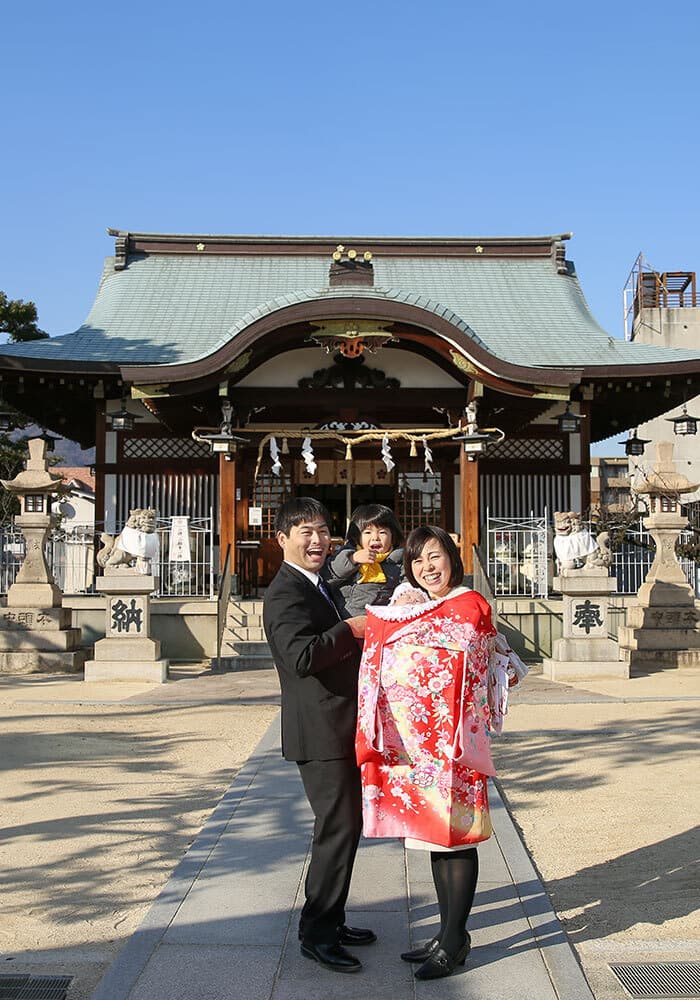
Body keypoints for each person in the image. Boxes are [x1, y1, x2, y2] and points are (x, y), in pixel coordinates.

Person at [355, 525, 496, 981]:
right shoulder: (420, 604)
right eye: (417, 561)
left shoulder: (468, 604)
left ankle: (455, 940)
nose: (427, 568)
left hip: (454, 746)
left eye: (435, 556)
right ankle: (446, 932)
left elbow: (454, 656)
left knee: (457, 839)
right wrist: (400, 612)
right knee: (436, 838)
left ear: (452, 557)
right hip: (423, 748)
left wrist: (400, 620)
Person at [263, 496, 374, 975]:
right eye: (305, 531)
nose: (317, 540)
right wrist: (350, 629)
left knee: (345, 826)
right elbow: (301, 657)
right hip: (320, 730)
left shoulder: (318, 584)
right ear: (282, 539)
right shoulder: (285, 592)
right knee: (337, 828)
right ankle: (317, 933)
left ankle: (332, 919)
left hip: (339, 723)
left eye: (323, 531)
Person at [325, 503, 405, 617]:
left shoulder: (399, 560)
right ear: (356, 537)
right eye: (367, 532)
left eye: (382, 532)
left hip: (382, 618)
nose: (375, 537)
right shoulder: (347, 554)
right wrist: (352, 559)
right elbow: (328, 576)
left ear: (393, 536)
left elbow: (408, 583)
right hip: (345, 618)